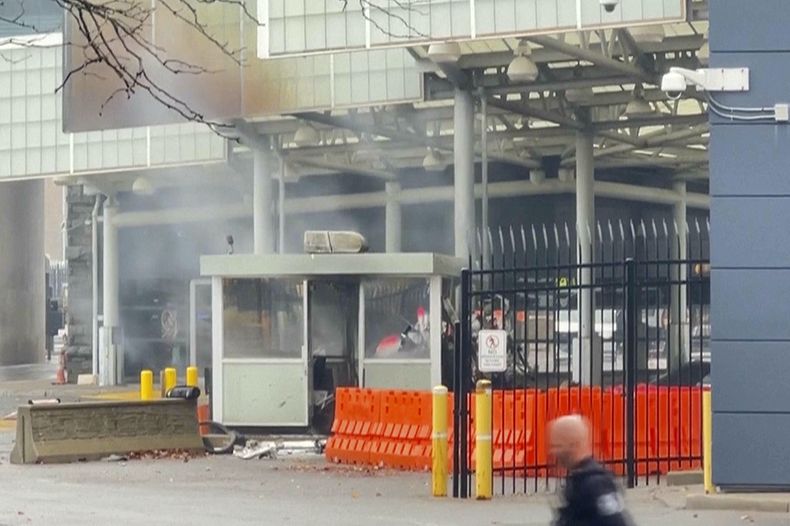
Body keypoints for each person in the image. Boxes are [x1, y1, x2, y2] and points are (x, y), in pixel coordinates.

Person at [549, 415, 634, 526]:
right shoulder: (578, 479)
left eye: (558, 446)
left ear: (574, 445)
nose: (553, 451)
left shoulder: (596, 483)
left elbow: (616, 522)